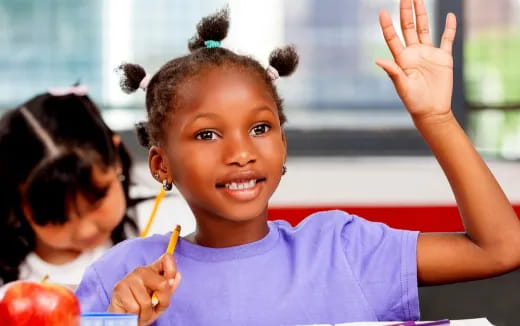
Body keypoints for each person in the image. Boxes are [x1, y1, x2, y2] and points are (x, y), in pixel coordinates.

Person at [75, 1, 520, 325]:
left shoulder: (342, 250)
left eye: (261, 128)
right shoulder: (123, 277)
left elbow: (499, 249)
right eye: (207, 134)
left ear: (283, 144)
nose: (241, 152)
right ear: (160, 165)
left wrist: (437, 119)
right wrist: (115, 322)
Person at [0, 87, 140, 287]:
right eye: (59, 219)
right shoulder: (10, 281)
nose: (86, 231)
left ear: (116, 160)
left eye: (96, 201)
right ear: (18, 202)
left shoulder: (157, 234)